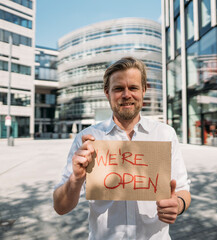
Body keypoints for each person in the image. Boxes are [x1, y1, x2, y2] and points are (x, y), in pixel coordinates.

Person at [53, 57, 191, 239]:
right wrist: (76, 179)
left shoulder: (165, 134)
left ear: (144, 90)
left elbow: (183, 189)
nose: (126, 95)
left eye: (133, 88)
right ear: (107, 92)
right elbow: (60, 207)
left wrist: (178, 204)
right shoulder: (88, 139)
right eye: (118, 88)